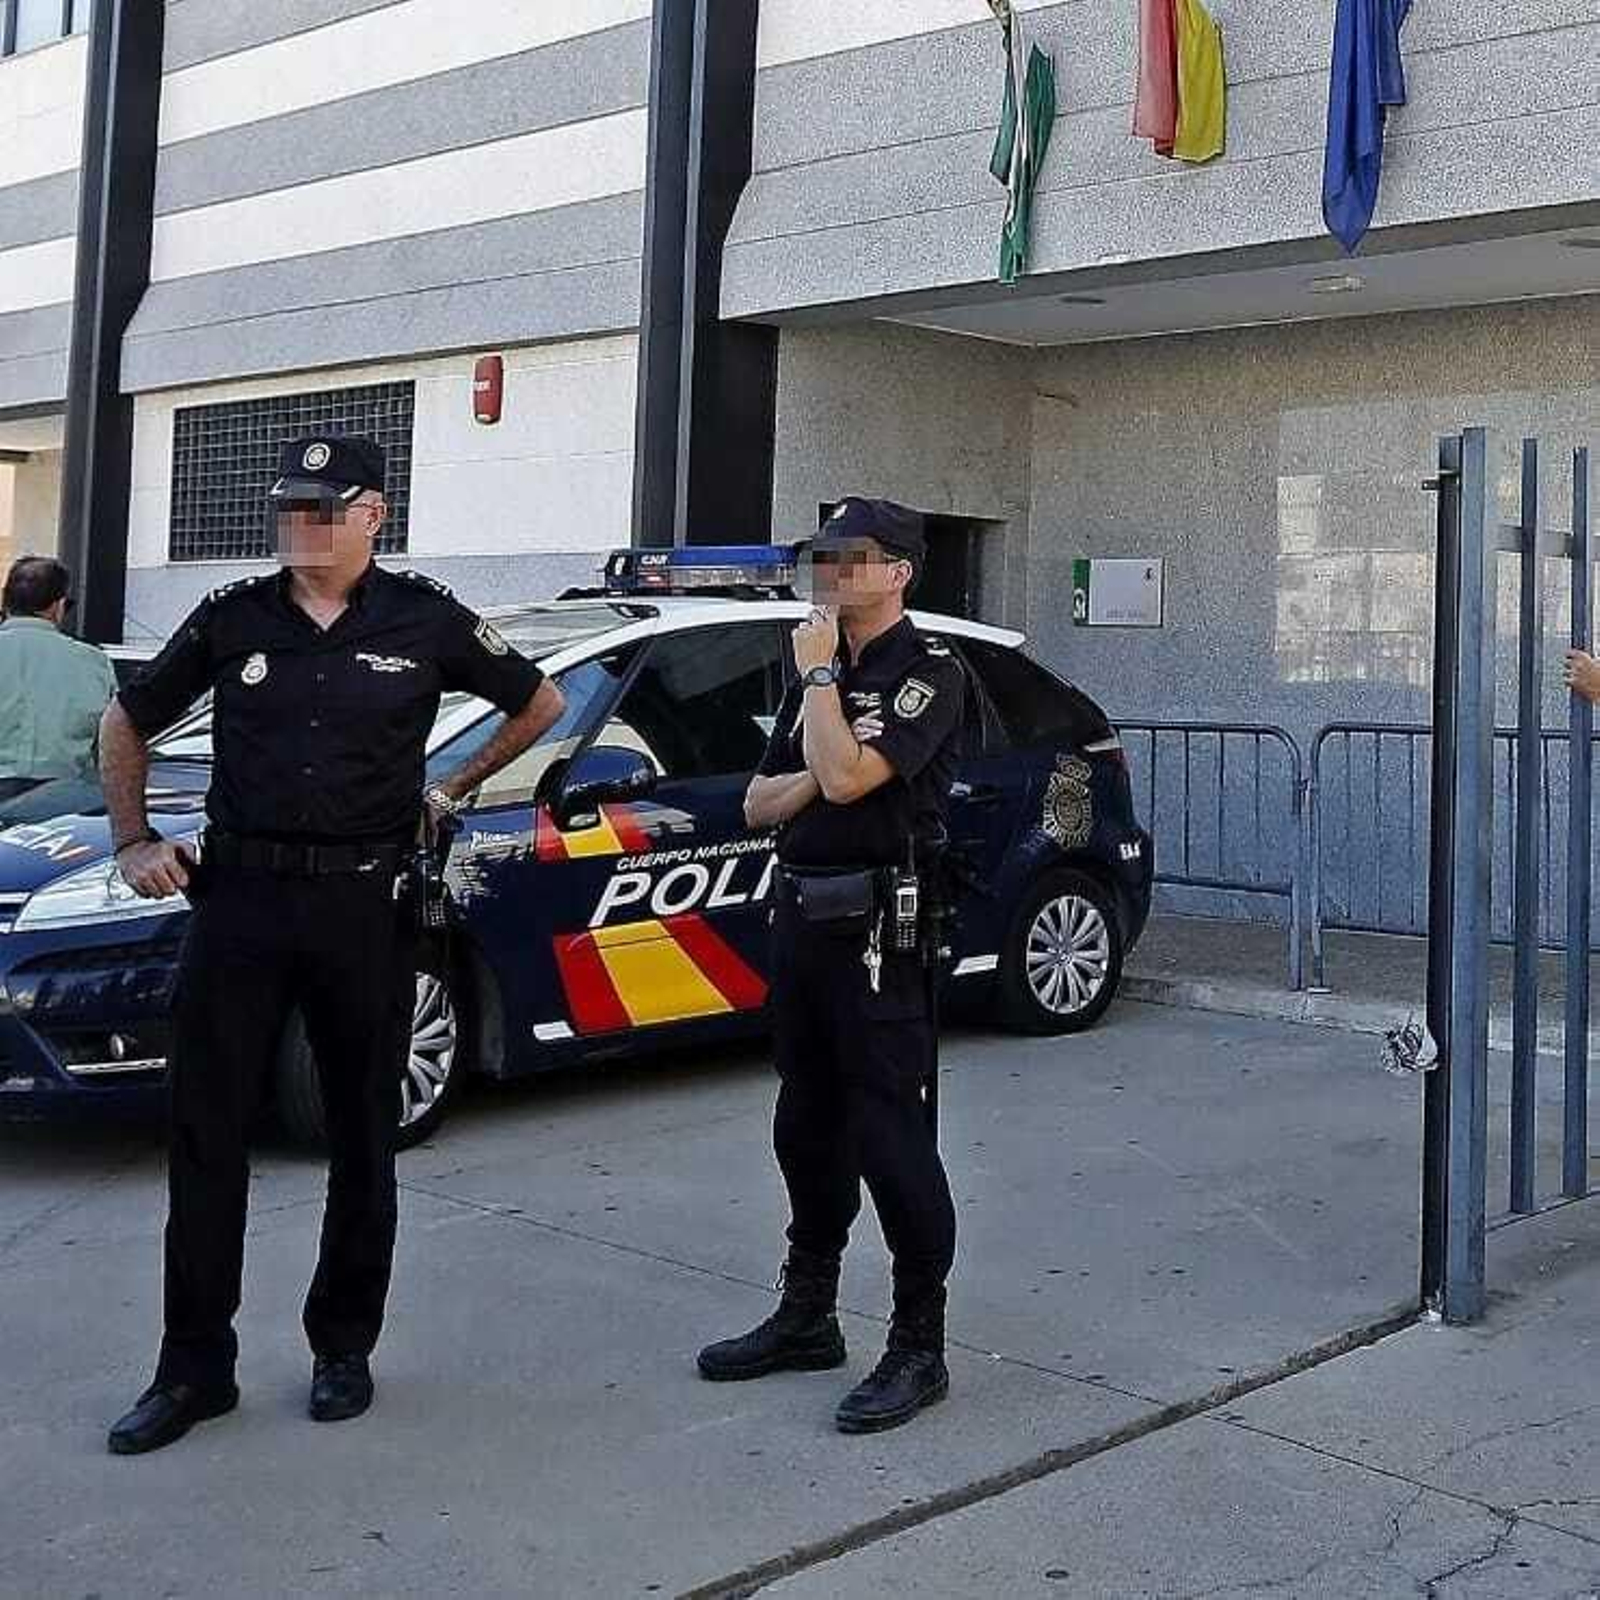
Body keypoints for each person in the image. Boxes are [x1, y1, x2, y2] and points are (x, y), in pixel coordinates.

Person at [100, 435, 565, 1456]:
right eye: (287, 508)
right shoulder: (234, 618)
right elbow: (125, 720)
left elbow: (539, 702)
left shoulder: (426, 616)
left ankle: (341, 1346)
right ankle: (193, 1367)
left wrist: (450, 787)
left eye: (323, 506)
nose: (300, 524)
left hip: (363, 904)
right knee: (208, 1133)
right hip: (241, 902)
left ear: (372, 515)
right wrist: (133, 837)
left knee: (361, 1133)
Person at [697, 497, 965, 1434]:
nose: (830, 572)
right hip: (803, 922)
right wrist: (828, 749)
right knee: (803, 1126)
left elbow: (854, 783)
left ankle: (918, 1345)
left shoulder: (927, 672)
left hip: (881, 934)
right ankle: (808, 1313)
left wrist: (824, 710)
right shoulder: (823, 675)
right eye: (822, 556)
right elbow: (759, 804)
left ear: (898, 572)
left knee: (889, 1136)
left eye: (850, 558)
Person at [0, 555, 117, 801]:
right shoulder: (95, 662)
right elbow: (109, 743)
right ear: (59, 606)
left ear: (5, 600)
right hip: (62, 804)